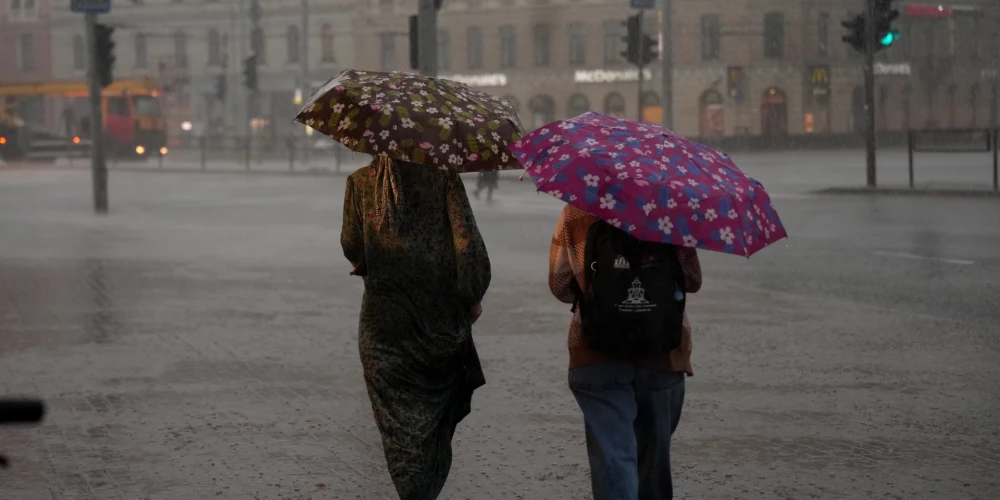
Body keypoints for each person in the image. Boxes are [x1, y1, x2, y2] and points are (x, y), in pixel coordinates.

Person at [341, 155, 491, 500]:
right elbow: (466, 244)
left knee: (398, 429)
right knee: (434, 424)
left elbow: (351, 244)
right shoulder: (444, 180)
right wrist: (473, 296)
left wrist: (371, 263)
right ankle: (422, 492)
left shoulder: (360, 183)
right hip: (438, 324)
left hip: (383, 326)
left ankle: (411, 491)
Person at [548, 204, 702, 500]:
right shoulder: (671, 208)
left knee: (614, 459)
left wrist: (599, 293)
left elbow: (559, 284)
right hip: (663, 353)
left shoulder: (576, 211)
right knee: (653, 466)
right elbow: (692, 280)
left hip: (595, 352)